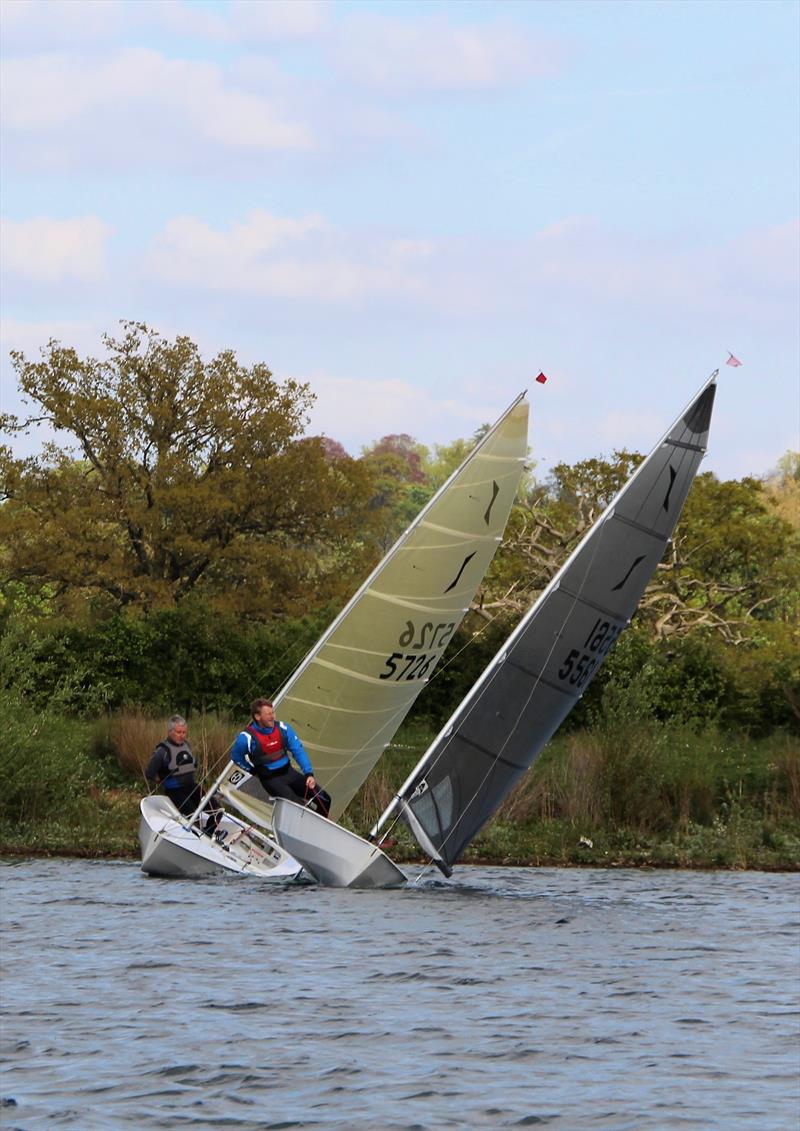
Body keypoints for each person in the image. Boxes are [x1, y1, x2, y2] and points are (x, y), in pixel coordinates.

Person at [231, 698, 331, 817]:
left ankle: (321, 827)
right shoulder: (246, 738)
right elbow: (236, 756)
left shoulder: (283, 728)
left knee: (325, 799)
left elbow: (297, 750)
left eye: (273, 712)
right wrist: (252, 770)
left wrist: (308, 773)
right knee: (302, 811)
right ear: (257, 717)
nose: (273, 716)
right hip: (272, 781)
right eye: (268, 714)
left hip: (290, 774)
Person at [145, 715, 221, 834]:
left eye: (184, 732)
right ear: (170, 732)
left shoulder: (187, 745)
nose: (182, 735)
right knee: (193, 817)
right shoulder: (162, 751)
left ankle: (208, 833)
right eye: (178, 732)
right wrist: (161, 780)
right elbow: (149, 772)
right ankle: (196, 836)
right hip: (175, 791)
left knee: (217, 810)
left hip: (192, 787)